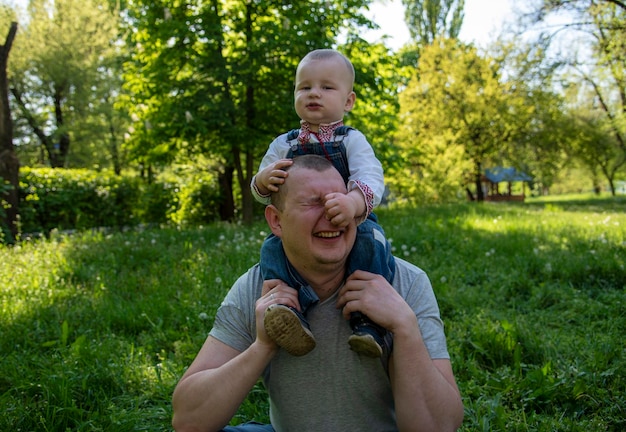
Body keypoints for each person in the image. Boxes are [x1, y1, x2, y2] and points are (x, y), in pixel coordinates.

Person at [172, 155, 464, 432]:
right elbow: (188, 420)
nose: (333, 215)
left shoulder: (405, 283)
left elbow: (440, 426)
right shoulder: (257, 289)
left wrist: (405, 327)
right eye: (313, 203)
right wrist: (262, 346)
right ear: (276, 221)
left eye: (340, 201)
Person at [251, 48, 394, 358]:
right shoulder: (284, 144)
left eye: (327, 87)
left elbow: (371, 178)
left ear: (348, 101)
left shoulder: (351, 140)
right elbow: (262, 187)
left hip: (349, 219)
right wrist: (262, 182)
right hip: (299, 225)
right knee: (271, 249)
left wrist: (354, 203)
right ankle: (286, 310)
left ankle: (369, 321)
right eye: (304, 87)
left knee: (371, 242)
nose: (314, 93)